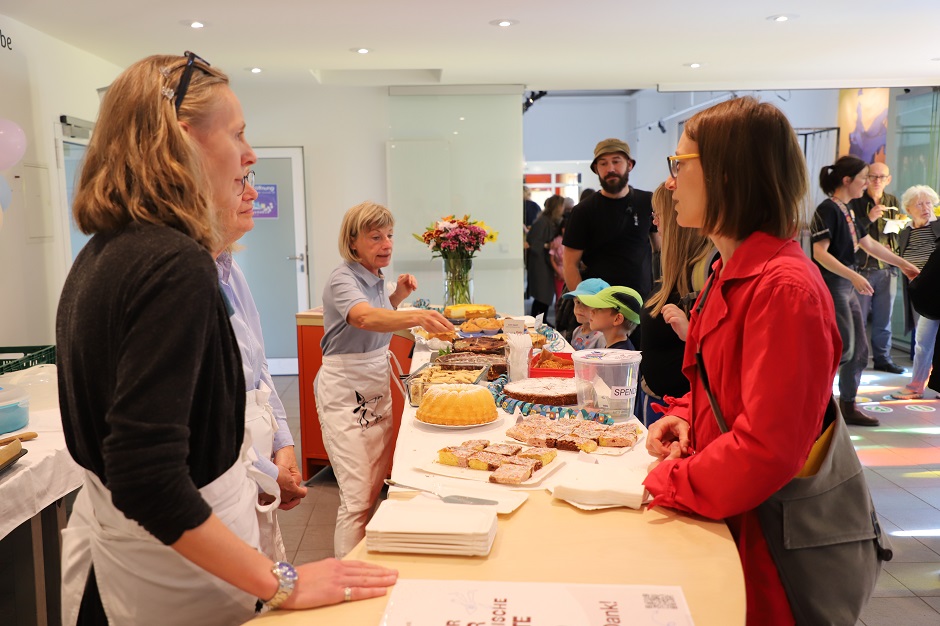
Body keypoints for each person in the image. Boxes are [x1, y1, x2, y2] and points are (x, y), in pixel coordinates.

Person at [56, 53, 397, 626]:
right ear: (181, 141)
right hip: (170, 584)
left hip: (129, 567)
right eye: (238, 133)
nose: (250, 154)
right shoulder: (173, 263)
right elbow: (146, 475)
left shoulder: (104, 252)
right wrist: (281, 582)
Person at [643, 96, 843, 625]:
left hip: (765, 547)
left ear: (727, 175)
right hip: (727, 519)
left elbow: (767, 448)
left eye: (678, 165)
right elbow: (726, 389)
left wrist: (669, 482)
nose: (670, 182)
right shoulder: (728, 271)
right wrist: (684, 416)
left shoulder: (785, 289)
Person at [316, 201, 453, 558]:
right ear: (353, 241)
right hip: (347, 385)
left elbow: (377, 314)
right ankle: (349, 573)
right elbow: (362, 319)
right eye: (375, 237)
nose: (386, 244)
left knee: (374, 482)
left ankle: (367, 559)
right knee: (357, 493)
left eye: (389, 235)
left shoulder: (374, 277)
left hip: (374, 381)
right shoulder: (342, 277)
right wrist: (416, 315)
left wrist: (396, 298)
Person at [215, 179, 308, 561]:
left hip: (253, 464)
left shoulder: (230, 272)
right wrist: (269, 470)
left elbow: (258, 368)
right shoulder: (180, 283)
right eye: (238, 182)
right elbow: (210, 419)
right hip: (224, 478)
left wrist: (283, 444)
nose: (252, 194)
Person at [811, 156, 919, 426]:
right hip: (835, 285)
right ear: (847, 180)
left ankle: (847, 405)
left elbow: (869, 244)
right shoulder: (828, 209)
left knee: (858, 350)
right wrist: (853, 276)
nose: (867, 183)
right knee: (843, 349)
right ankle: (815, 406)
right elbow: (819, 253)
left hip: (846, 285)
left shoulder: (846, 209)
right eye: (864, 178)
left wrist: (904, 264)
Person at [639, 183, 715, 426]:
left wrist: (691, 332)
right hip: (667, 407)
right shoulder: (679, 271)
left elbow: (718, 351)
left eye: (658, 216)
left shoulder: (703, 273)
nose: (655, 223)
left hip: (682, 411)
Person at [562, 139, 660, 301]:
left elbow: (660, 249)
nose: (610, 169)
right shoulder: (583, 211)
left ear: (629, 165)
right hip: (600, 306)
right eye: (603, 164)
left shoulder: (647, 202)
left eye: (616, 161)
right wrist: (584, 303)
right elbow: (570, 264)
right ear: (596, 169)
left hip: (642, 302)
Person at [849, 162, 904, 373]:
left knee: (884, 318)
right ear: (866, 178)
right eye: (873, 176)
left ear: (888, 179)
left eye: (882, 177)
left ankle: (883, 359)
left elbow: (897, 232)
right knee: (859, 319)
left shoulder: (892, 201)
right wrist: (870, 217)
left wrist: (896, 242)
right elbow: (850, 232)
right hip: (861, 268)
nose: (877, 180)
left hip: (887, 268)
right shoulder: (855, 202)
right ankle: (856, 359)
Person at [891, 185, 940, 400]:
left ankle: (918, 386)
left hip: (937, 290)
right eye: (919, 204)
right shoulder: (905, 233)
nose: (925, 207)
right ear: (909, 209)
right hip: (922, 293)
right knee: (923, 342)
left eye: (928, 202)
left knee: (925, 340)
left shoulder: (939, 227)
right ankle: (917, 385)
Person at [526, 194, 565, 319]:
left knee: (544, 296)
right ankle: (537, 322)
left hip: (543, 263)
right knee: (542, 295)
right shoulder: (543, 222)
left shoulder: (548, 221)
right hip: (539, 264)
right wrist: (547, 245)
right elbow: (532, 242)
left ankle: (540, 322)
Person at [575, 286, 643, 350]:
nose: (591, 311)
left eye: (599, 308)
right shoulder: (615, 347)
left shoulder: (618, 358)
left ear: (617, 319)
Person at [560, 278, 609, 350]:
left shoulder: (601, 338)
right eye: (578, 302)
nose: (579, 308)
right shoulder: (577, 330)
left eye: (586, 303)